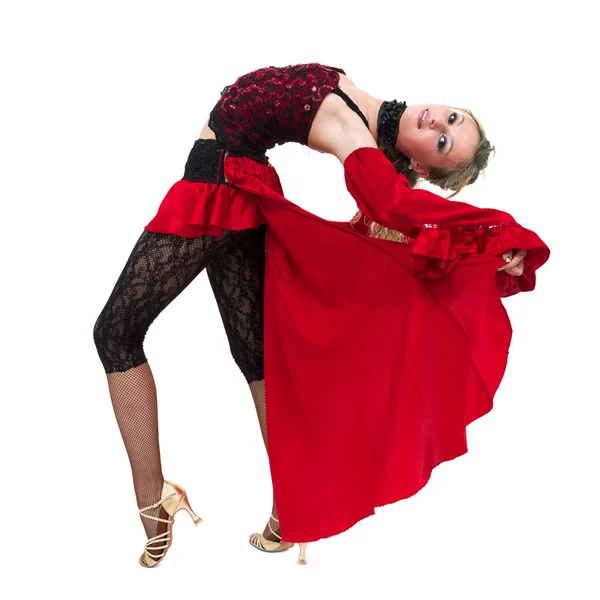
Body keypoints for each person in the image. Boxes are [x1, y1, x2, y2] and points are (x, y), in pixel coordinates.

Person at [93, 63, 536, 568]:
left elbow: (392, 205)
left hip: (220, 180)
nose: (437, 124)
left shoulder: (353, 133)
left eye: (442, 143)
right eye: (450, 118)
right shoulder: (366, 113)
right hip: (244, 180)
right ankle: (290, 508)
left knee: (115, 335)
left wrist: (497, 232)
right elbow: (392, 201)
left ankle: (154, 500)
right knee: (255, 353)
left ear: (425, 170)